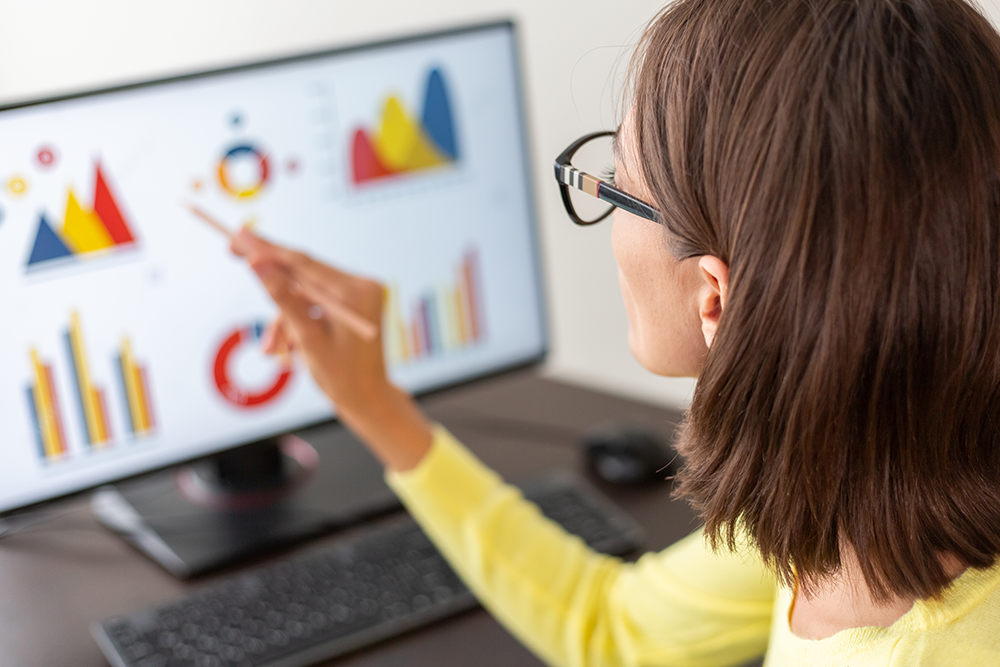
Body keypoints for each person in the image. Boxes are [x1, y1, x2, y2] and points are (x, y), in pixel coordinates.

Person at [231, 0, 1000, 663]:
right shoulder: (861, 493)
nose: (602, 214)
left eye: (619, 187)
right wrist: (374, 403)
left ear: (716, 299)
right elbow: (613, 627)